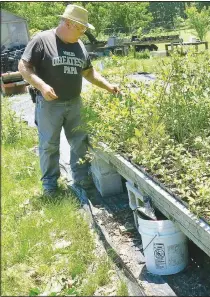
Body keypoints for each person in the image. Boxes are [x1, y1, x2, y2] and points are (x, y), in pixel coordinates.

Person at [18, 4, 119, 196]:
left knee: (79, 141)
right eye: (81, 28)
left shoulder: (79, 45)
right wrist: (42, 85)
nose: (83, 32)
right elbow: (24, 66)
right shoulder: (42, 40)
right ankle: (50, 185)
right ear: (69, 23)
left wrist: (108, 85)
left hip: (74, 102)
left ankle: (81, 177)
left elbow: (88, 72)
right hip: (49, 105)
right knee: (49, 144)